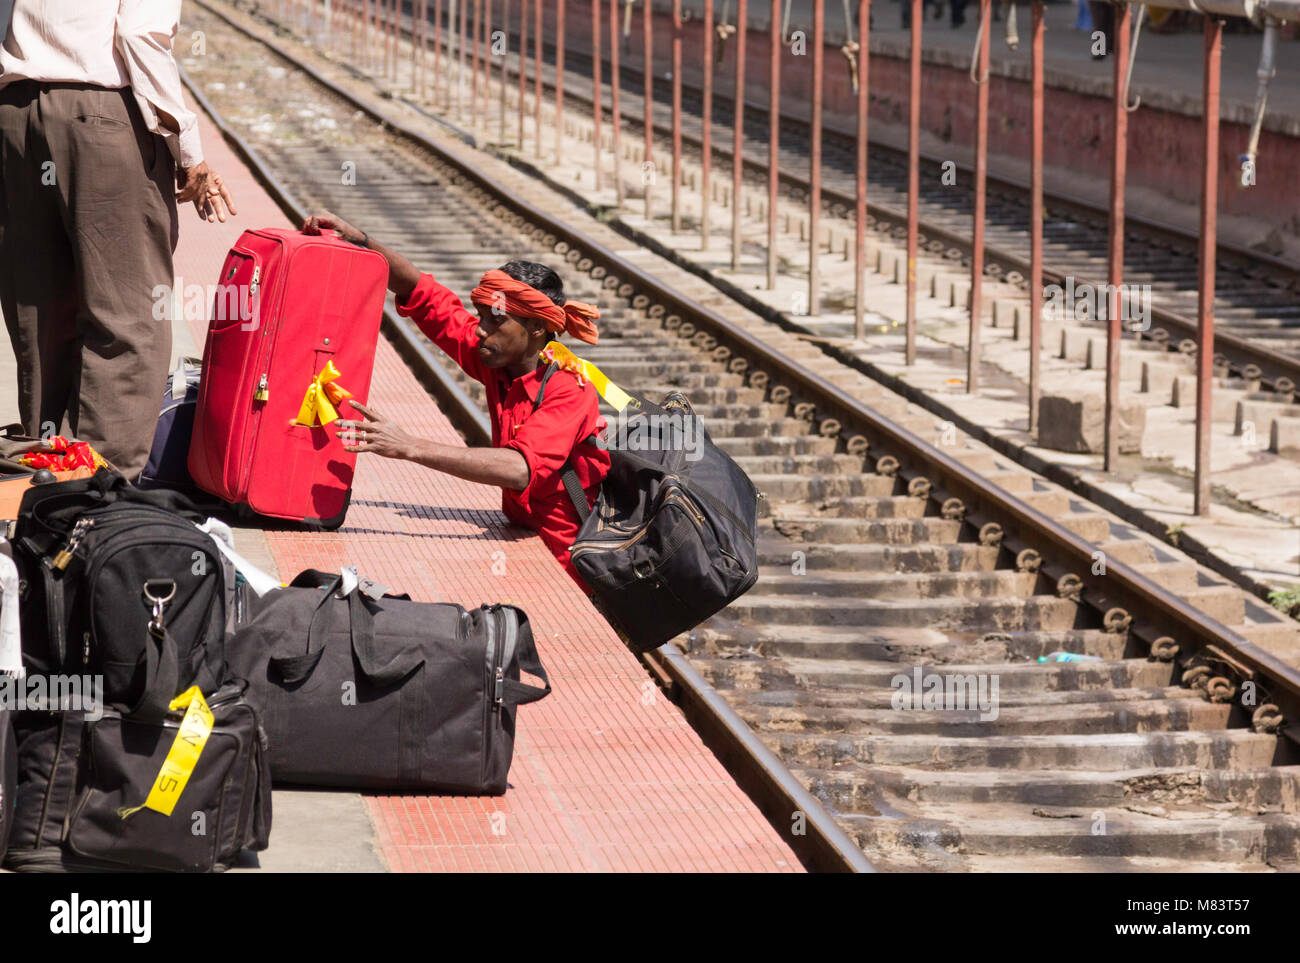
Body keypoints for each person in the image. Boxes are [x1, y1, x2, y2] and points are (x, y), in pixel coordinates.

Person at [301, 211, 611, 593]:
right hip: (522, 540)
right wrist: (360, 241)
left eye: (495, 320)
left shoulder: (569, 388)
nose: (480, 329)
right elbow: (421, 293)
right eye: (481, 316)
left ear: (536, 328)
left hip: (571, 569)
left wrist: (408, 446)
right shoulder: (499, 360)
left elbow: (519, 468)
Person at [0, 0, 236, 478]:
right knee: (128, 320)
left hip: (14, 118)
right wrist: (188, 152)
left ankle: (45, 485)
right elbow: (139, 36)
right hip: (102, 117)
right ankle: (97, 497)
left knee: (41, 319)